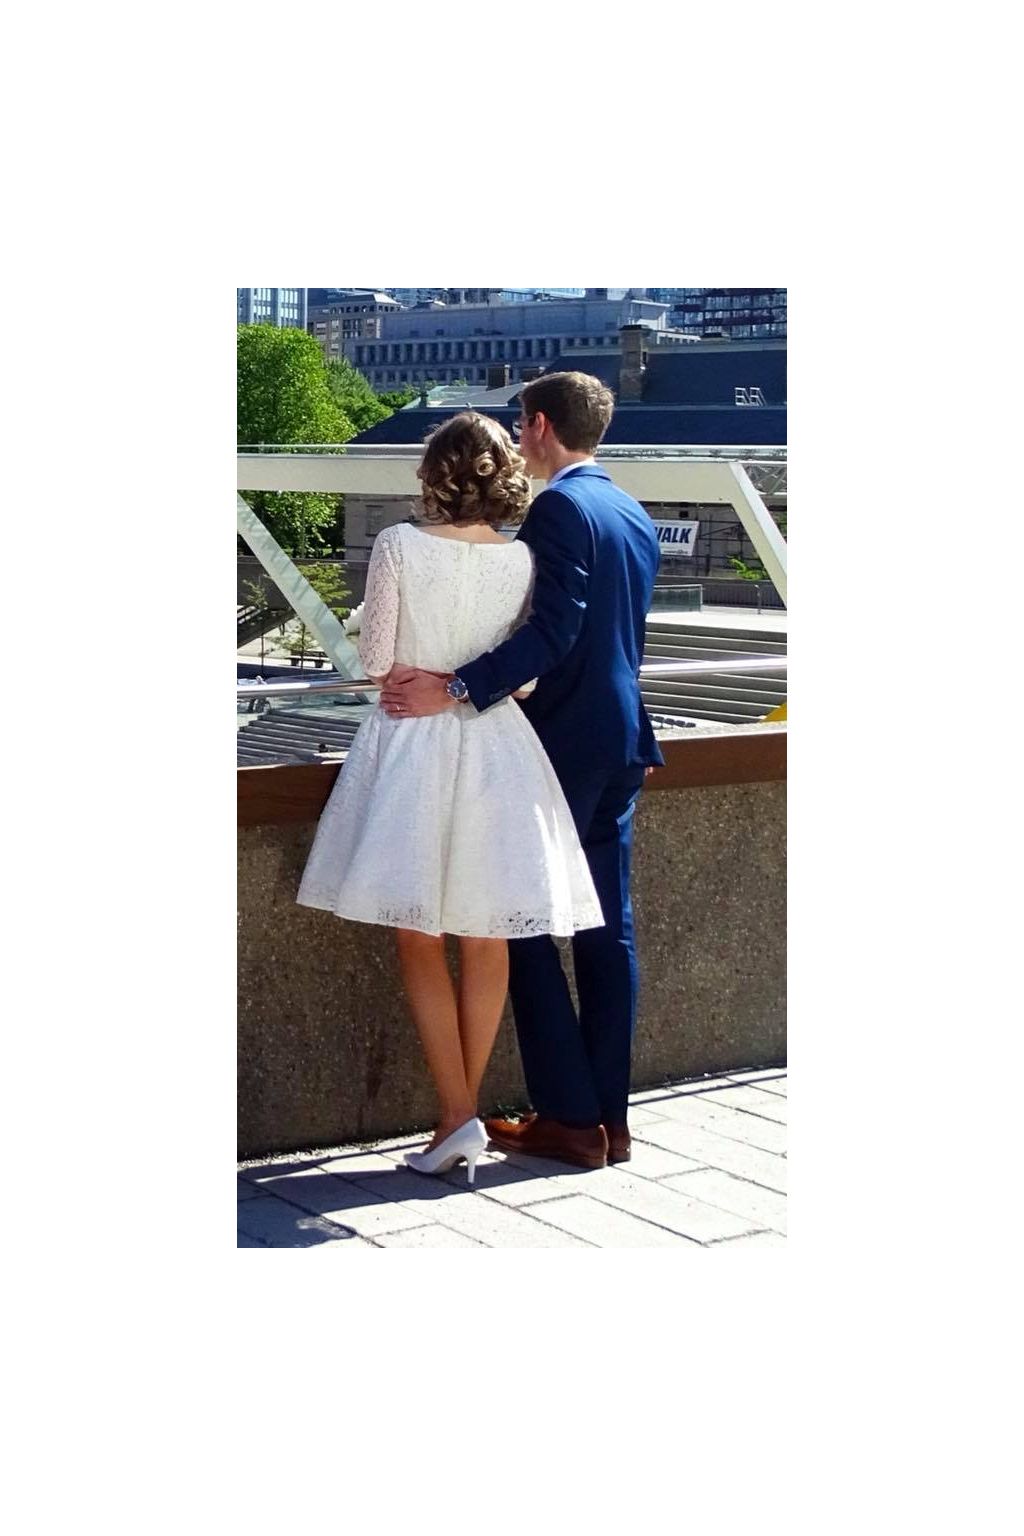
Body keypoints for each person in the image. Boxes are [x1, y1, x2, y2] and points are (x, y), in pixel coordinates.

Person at [296, 412, 604, 1185]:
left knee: (419, 932)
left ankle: (457, 1114)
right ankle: (459, 1117)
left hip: (412, 744)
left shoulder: (399, 544)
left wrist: (416, 669)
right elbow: (523, 680)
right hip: (497, 746)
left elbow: (376, 658)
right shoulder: (521, 559)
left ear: (433, 474)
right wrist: (463, 680)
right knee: (487, 933)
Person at [381, 371, 663, 1170]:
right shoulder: (630, 510)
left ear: (539, 426)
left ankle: (569, 1118)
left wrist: (454, 686)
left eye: (520, 423)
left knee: (514, 921)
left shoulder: (560, 510)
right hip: (619, 741)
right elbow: (619, 639)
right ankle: (609, 1120)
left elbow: (554, 631)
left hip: (561, 743)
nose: (516, 437)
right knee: (607, 931)